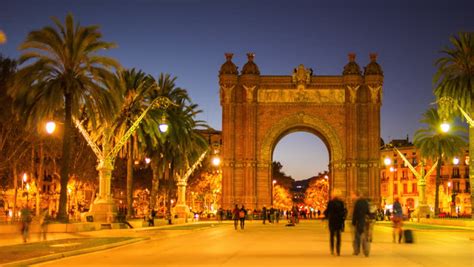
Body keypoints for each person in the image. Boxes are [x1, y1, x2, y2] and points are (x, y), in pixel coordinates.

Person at [324, 191, 346, 256]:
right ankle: (338, 250)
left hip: (332, 221)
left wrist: (326, 216)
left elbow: (327, 211)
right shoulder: (341, 203)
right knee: (338, 236)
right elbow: (343, 211)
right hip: (339, 221)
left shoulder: (330, 203)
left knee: (332, 236)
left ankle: (332, 250)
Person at [351, 192, 370, 257]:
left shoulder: (357, 203)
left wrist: (353, 222)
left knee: (357, 237)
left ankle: (357, 251)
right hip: (364, 221)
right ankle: (366, 251)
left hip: (358, 222)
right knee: (364, 236)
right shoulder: (366, 202)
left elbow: (355, 213)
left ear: (357, 196)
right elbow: (368, 212)